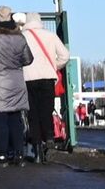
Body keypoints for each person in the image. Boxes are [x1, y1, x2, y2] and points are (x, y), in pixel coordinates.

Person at [0, 7, 34, 165]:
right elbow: (28, 59)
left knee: (0, 120)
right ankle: (19, 153)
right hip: (16, 81)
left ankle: (1, 153)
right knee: (15, 119)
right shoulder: (19, 37)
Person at [18, 12, 69, 161]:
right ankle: (49, 139)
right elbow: (65, 55)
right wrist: (54, 65)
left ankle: (37, 148)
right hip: (47, 79)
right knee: (46, 112)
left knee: (32, 114)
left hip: (28, 79)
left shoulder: (22, 36)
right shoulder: (50, 35)